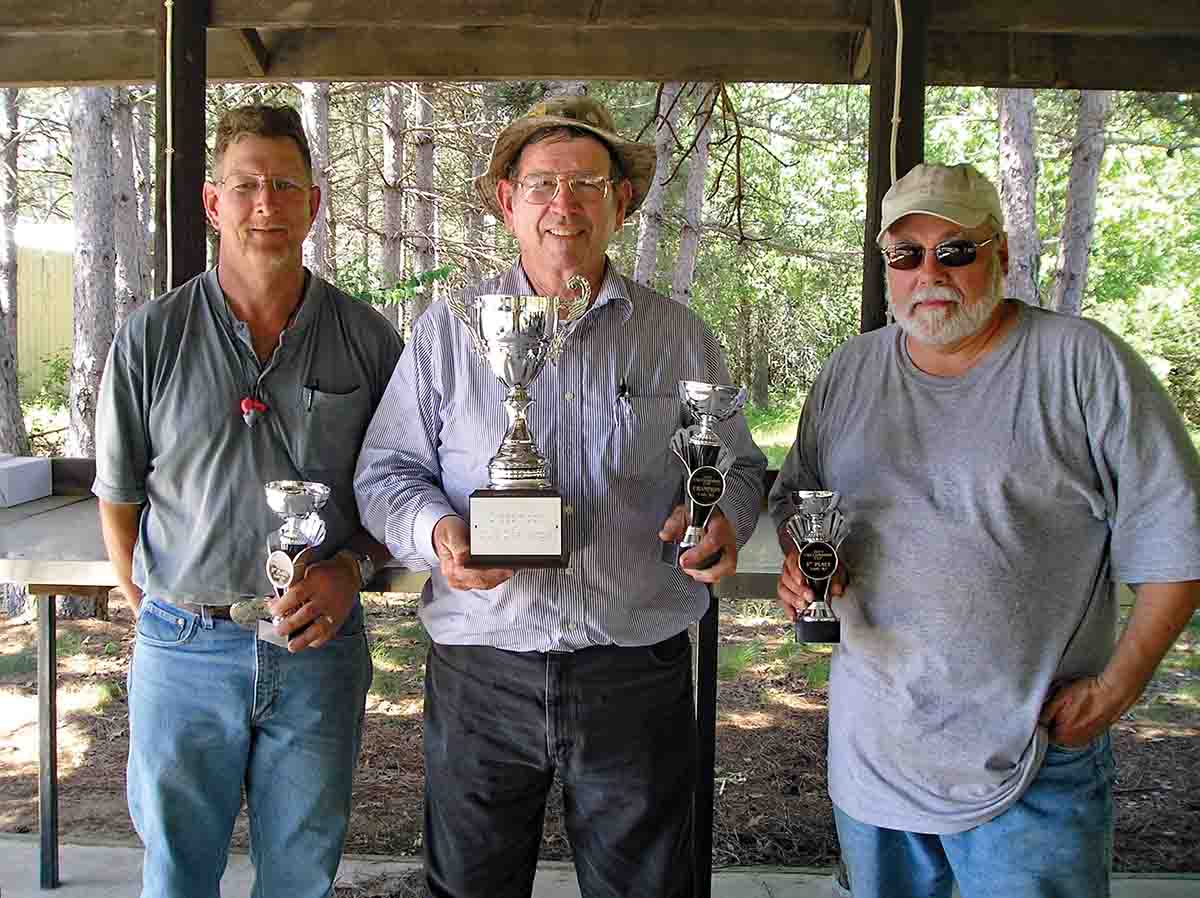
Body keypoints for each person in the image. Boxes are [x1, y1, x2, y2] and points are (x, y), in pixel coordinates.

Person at [354, 95, 766, 898]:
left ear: (623, 200)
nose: (563, 206)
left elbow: (739, 465)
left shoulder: (677, 336)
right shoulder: (451, 330)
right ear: (508, 200)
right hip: (481, 673)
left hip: (632, 673)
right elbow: (385, 471)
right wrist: (439, 532)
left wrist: (724, 517)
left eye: (587, 183)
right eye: (542, 184)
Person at [769, 161, 1200, 898]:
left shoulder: (1081, 363)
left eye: (956, 250)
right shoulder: (850, 370)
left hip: (1030, 758)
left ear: (1000, 254)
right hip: (874, 758)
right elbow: (799, 500)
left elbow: (1176, 535)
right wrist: (803, 558)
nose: (928, 272)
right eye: (906, 254)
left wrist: (1121, 685)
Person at [93, 104, 402, 898]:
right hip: (183, 645)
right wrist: (156, 608)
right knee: (175, 874)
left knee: (300, 876)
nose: (266, 203)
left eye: (285, 184)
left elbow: (400, 488)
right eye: (246, 185)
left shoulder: (369, 341)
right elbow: (120, 493)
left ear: (314, 202)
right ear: (212, 202)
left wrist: (352, 571)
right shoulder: (151, 337)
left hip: (318, 652)